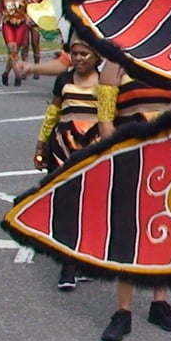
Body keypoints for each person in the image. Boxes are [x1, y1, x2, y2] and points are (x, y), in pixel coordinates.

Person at [94, 61, 171, 341]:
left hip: (167, 154)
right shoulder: (113, 66)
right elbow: (105, 118)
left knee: (164, 228)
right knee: (128, 232)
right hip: (130, 155)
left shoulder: (168, 60)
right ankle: (123, 311)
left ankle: (160, 303)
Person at [33, 37, 104, 289]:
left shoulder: (106, 83)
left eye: (85, 54)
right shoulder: (63, 80)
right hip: (62, 148)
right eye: (74, 54)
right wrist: (41, 145)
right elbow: (53, 112)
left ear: (97, 57)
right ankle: (67, 266)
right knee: (66, 205)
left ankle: (86, 260)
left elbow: (109, 118)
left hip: (93, 148)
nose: (79, 58)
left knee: (91, 206)